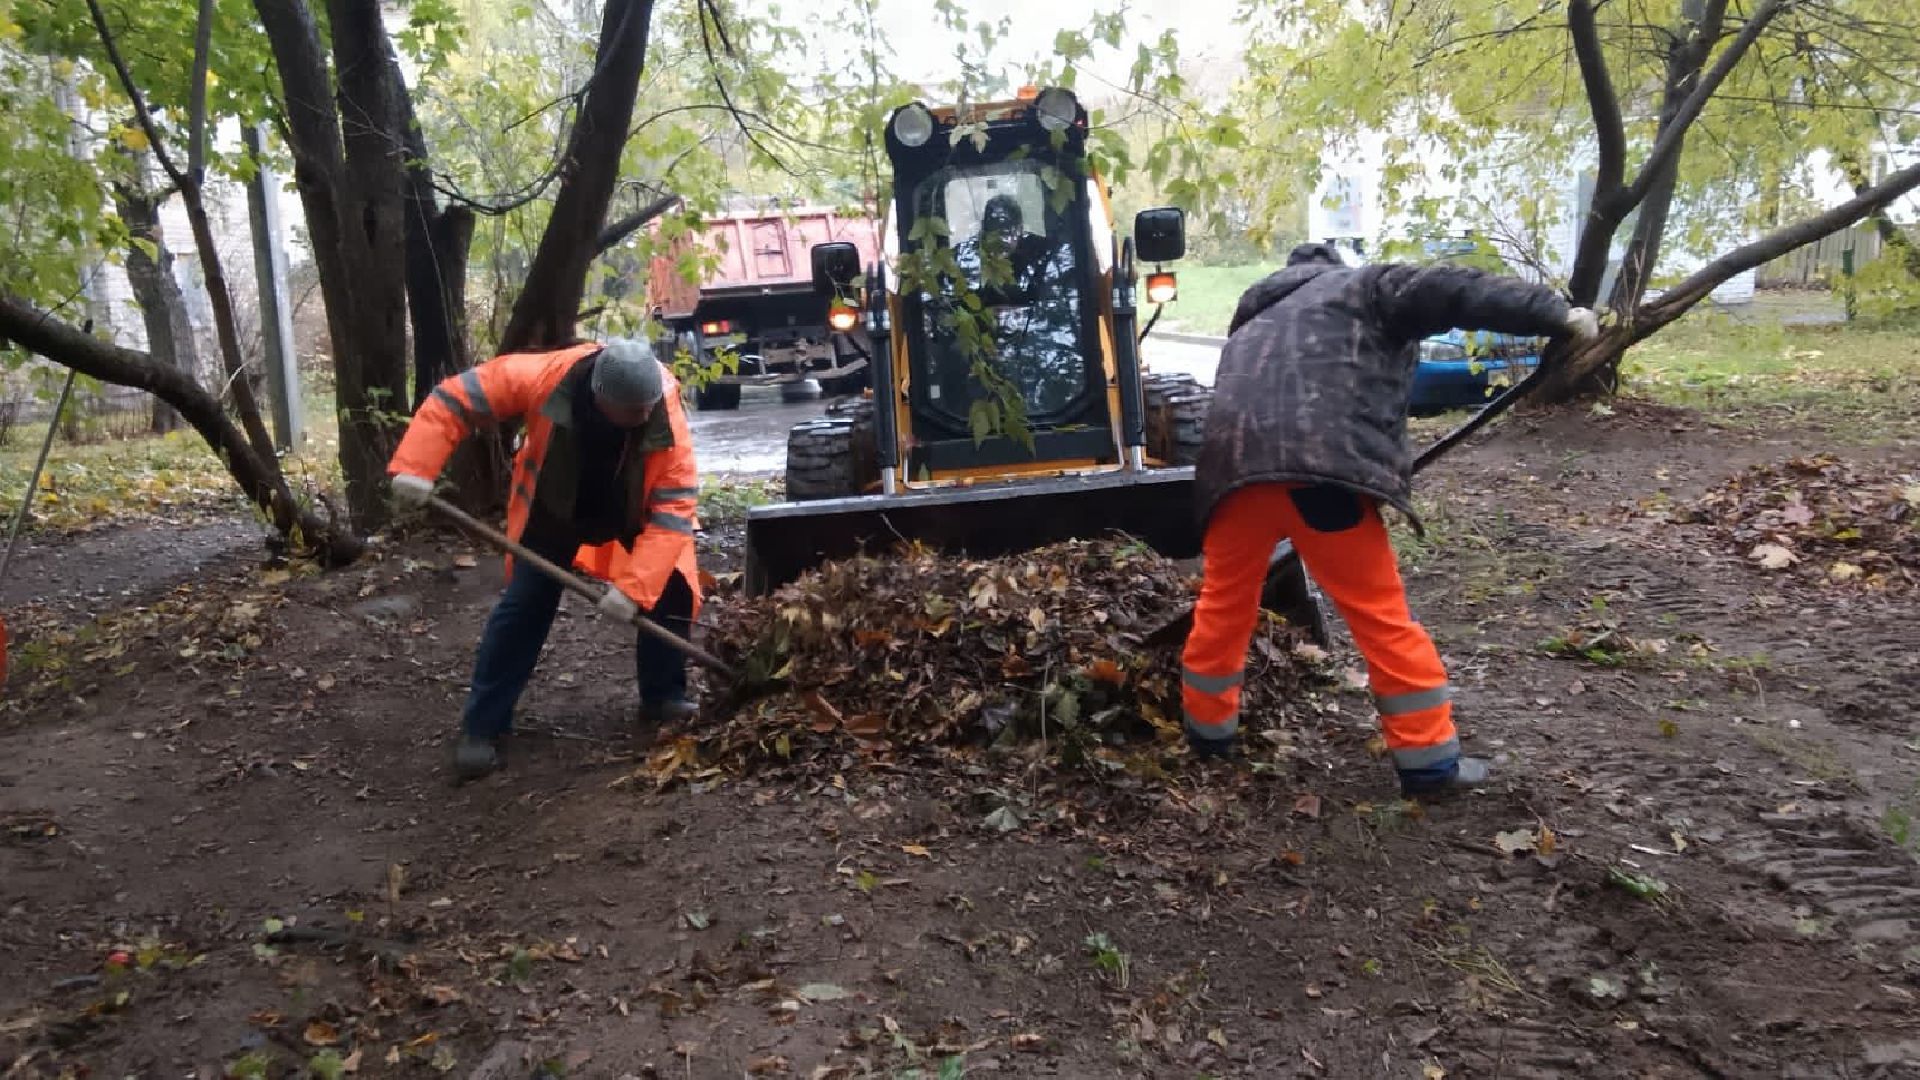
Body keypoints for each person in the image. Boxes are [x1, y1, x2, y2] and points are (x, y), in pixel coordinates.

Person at [1182, 243, 1600, 796]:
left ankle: (1208, 735)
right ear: (1333, 269)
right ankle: (1428, 762)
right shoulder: (1365, 287)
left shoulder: (1254, 315)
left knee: (1224, 605)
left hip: (1232, 479)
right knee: (1380, 617)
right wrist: (1552, 312)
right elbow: (1453, 290)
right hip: (1319, 477)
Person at [388, 338, 702, 780]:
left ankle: (663, 697)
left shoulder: (663, 411)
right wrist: (418, 466)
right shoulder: (545, 377)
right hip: (556, 508)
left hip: (634, 507)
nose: (642, 418)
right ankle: (482, 729)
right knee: (524, 607)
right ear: (599, 397)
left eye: (646, 408)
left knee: (670, 589)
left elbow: (673, 512)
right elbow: (455, 397)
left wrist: (633, 590)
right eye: (631, 412)